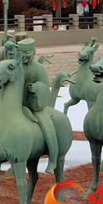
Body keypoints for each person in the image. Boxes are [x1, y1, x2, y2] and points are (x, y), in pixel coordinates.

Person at [18, 38, 59, 174]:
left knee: (46, 126)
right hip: (17, 103)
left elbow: (45, 87)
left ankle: (53, 157)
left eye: (27, 52)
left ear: (34, 52)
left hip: (34, 104)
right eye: (21, 52)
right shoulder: (16, 67)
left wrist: (37, 87)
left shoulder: (39, 69)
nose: (24, 56)